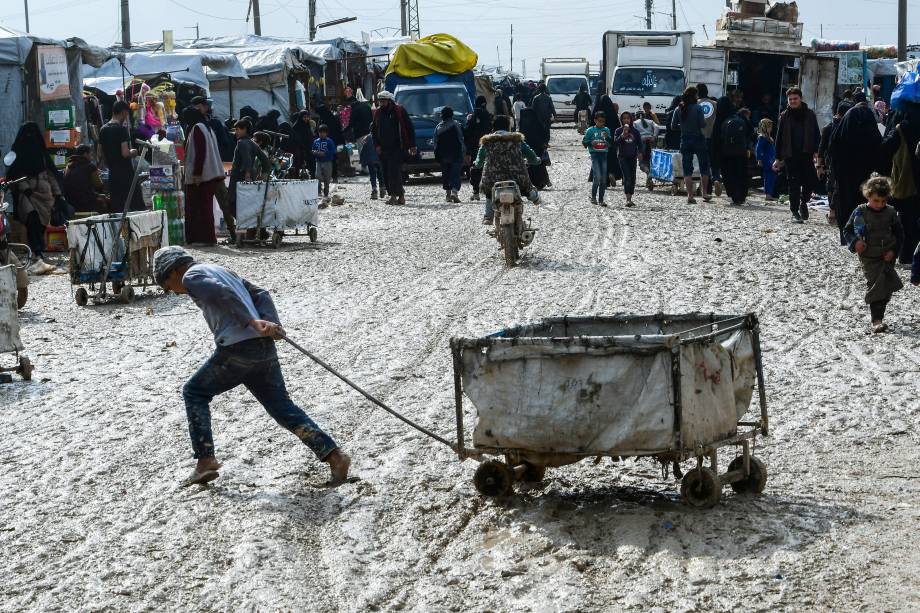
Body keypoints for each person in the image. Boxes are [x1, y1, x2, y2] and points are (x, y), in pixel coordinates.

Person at [152, 246, 351, 486]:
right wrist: (271, 324)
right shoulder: (219, 269)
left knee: (194, 391)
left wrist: (252, 322)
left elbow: (221, 293)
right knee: (281, 407)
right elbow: (260, 294)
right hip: (263, 347)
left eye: (167, 286)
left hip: (238, 350)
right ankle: (335, 457)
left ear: (172, 272)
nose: (174, 293)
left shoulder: (191, 276)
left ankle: (205, 461)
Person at [843, 176, 904, 334]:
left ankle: (879, 316)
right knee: (875, 285)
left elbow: (900, 235)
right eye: (876, 200)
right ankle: (876, 320)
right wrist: (855, 242)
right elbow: (847, 230)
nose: (880, 205)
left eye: (883, 201)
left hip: (886, 256)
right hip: (869, 257)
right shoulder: (860, 211)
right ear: (868, 196)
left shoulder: (891, 213)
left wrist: (894, 251)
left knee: (885, 286)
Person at [6, 122, 61, 273]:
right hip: (26, 193)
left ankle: (38, 251)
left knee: (41, 222)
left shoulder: (42, 154)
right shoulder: (17, 153)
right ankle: (36, 251)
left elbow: (51, 173)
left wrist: (58, 194)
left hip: (44, 194)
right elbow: (13, 174)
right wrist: (24, 188)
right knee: (32, 218)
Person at [828, 91, 882, 237]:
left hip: (846, 173)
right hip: (865, 173)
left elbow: (834, 146)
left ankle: (848, 234)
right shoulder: (869, 119)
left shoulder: (848, 118)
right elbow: (879, 147)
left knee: (846, 201)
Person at [472, 115, 541, 224]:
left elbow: (479, 161)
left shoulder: (486, 142)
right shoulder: (517, 140)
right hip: (517, 177)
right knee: (526, 188)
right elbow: (531, 155)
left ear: (493, 127)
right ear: (509, 127)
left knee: (490, 194)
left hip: (492, 179)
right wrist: (536, 160)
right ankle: (534, 198)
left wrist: (476, 164)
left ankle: (488, 217)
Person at [877, 102, 920, 263]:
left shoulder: (902, 127)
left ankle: (905, 256)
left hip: (906, 180)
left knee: (905, 219)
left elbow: (885, 148)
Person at [774, 86, 821, 224]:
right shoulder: (784, 116)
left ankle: (803, 202)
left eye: (795, 98)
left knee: (810, 182)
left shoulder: (810, 114)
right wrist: (777, 158)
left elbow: (817, 134)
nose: (793, 101)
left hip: (806, 154)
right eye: (790, 99)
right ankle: (794, 211)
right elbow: (779, 137)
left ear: (800, 98)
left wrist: (818, 152)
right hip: (790, 155)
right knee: (793, 184)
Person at [183, 105, 225, 245]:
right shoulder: (206, 127)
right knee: (205, 207)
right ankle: (207, 238)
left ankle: (204, 238)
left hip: (202, 176)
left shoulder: (198, 128)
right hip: (210, 174)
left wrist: (196, 174)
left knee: (200, 208)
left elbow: (200, 153)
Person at [227, 118, 270, 241]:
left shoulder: (242, 143)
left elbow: (247, 159)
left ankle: (246, 231)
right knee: (249, 205)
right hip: (248, 181)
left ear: (244, 129)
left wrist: (247, 174)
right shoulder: (252, 143)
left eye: (237, 129)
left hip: (239, 180)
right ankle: (256, 231)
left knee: (232, 204)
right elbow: (265, 160)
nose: (236, 132)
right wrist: (264, 174)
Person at [98, 100, 144, 212]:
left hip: (112, 174)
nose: (126, 117)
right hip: (126, 174)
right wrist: (134, 152)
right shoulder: (121, 130)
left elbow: (99, 154)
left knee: (117, 206)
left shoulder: (103, 129)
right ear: (123, 112)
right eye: (126, 114)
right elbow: (125, 153)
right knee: (134, 206)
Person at [371, 91, 416, 205]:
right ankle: (397, 195)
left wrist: (412, 145)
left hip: (397, 147)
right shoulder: (378, 113)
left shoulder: (399, 111)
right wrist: (377, 145)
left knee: (394, 172)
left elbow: (409, 127)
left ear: (390, 100)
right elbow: (374, 131)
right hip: (383, 149)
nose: (382, 102)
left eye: (384, 100)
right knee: (385, 172)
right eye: (380, 100)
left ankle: (396, 196)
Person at [670, 87, 711, 204]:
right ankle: (704, 193)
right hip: (698, 139)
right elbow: (702, 124)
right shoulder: (698, 108)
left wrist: (683, 127)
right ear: (695, 96)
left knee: (687, 169)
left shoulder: (679, 109)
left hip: (685, 140)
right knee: (704, 166)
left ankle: (690, 196)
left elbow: (673, 126)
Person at [817, 101, 852, 225]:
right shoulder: (830, 128)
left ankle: (834, 212)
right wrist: (819, 166)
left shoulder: (848, 127)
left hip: (843, 163)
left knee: (836, 187)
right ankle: (833, 212)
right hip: (832, 163)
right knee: (833, 187)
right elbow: (821, 148)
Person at [432, 106, 466, 203]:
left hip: (443, 156)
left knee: (446, 174)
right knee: (455, 173)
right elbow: (461, 139)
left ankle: (448, 194)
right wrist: (464, 152)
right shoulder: (457, 125)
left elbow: (435, 143)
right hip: (456, 154)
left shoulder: (438, 127)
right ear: (452, 115)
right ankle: (454, 192)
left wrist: (437, 155)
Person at [720, 108, 752, 205]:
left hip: (727, 152)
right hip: (741, 152)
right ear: (746, 115)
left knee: (730, 174)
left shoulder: (726, 120)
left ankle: (733, 195)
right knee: (741, 174)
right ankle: (741, 197)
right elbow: (750, 134)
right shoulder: (744, 121)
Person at [63, 144, 109, 213]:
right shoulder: (90, 167)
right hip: (85, 203)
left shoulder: (68, 167)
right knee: (107, 201)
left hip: (70, 202)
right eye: (90, 154)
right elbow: (99, 185)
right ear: (85, 154)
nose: (92, 156)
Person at [465, 96, 493, 201]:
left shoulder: (471, 117)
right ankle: (489, 193)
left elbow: (467, 134)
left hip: (475, 147)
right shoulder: (489, 116)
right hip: (488, 146)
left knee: (476, 168)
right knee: (488, 168)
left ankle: (476, 192)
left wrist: (467, 151)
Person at [583, 111, 613, 206]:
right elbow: (584, 142)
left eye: (603, 121)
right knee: (597, 177)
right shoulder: (590, 131)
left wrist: (607, 137)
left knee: (603, 179)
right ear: (595, 120)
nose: (601, 123)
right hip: (595, 155)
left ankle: (601, 199)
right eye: (599, 121)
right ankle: (593, 197)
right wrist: (591, 143)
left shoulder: (606, 130)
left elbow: (610, 143)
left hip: (604, 155)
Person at [613, 111, 642, 207]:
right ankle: (628, 199)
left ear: (631, 120)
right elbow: (615, 143)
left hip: (633, 157)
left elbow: (639, 144)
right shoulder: (618, 130)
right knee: (627, 177)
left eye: (628, 118)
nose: (626, 120)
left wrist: (640, 152)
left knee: (633, 177)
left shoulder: (635, 132)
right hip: (622, 157)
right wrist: (623, 135)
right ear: (621, 120)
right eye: (624, 118)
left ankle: (631, 196)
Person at [518, 108, 551, 190]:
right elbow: (545, 133)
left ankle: (530, 182)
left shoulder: (523, 122)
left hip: (527, 146)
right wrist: (545, 142)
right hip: (538, 146)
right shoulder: (537, 122)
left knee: (529, 164)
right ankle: (540, 181)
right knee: (538, 164)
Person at [755, 119, 777, 201]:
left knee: (772, 177)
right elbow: (759, 149)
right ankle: (768, 195)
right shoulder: (762, 137)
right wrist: (759, 159)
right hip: (767, 160)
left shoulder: (768, 137)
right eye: (768, 127)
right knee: (768, 177)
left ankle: (770, 193)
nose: (770, 129)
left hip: (771, 159)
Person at [312, 125, 336, 199]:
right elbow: (312, 150)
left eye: (323, 132)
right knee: (317, 176)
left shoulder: (329, 141)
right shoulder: (316, 141)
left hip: (328, 162)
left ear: (326, 133)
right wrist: (315, 152)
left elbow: (334, 151)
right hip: (318, 162)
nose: (322, 134)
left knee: (327, 178)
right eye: (320, 132)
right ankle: (318, 191)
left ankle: (326, 192)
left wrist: (325, 153)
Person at [289, 110, 316, 177]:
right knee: (299, 166)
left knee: (311, 166)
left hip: (309, 149)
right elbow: (295, 139)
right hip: (299, 150)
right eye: (304, 117)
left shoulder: (308, 126)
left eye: (307, 117)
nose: (306, 119)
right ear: (300, 117)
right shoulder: (296, 127)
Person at [360, 133, 385, 200]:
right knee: (380, 174)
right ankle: (382, 188)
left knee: (372, 175)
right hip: (379, 159)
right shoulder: (381, 135)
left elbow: (363, 149)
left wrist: (362, 161)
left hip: (370, 161)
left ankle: (374, 190)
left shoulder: (367, 138)